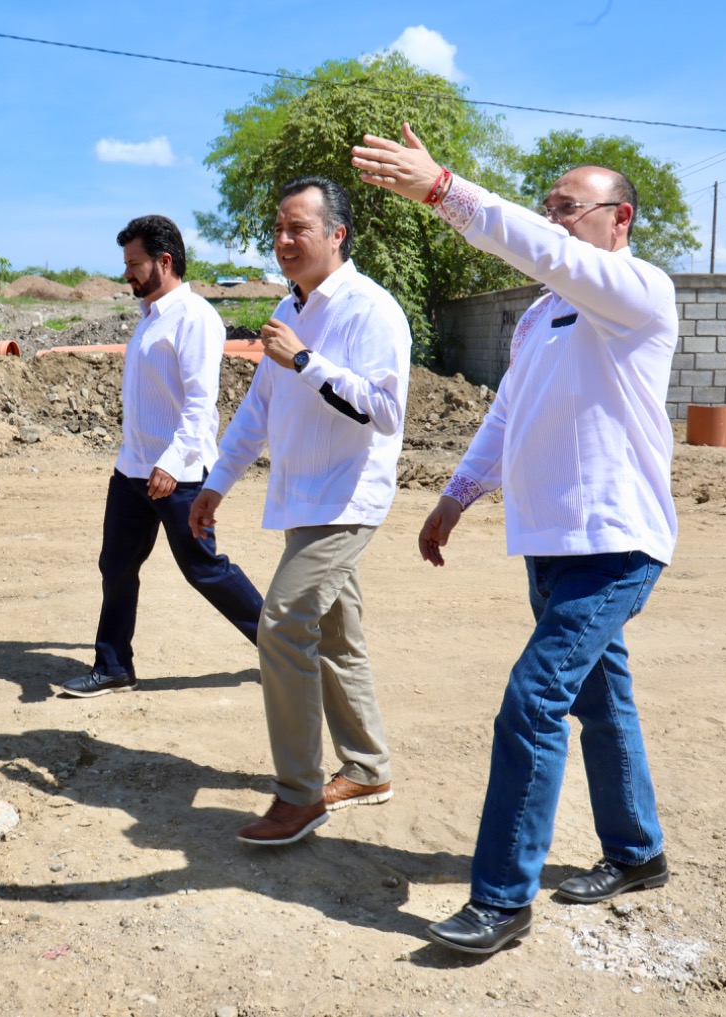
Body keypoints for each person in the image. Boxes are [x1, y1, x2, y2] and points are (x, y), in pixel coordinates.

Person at [351, 125, 678, 954]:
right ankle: (638, 852)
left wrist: (445, 190)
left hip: (615, 542)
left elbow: (551, 256)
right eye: (551, 208)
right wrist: (456, 496)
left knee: (533, 701)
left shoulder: (639, 293)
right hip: (551, 541)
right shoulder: (539, 319)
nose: (556, 220)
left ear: (621, 218)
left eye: (570, 209)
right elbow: (508, 413)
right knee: (603, 704)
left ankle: (501, 899)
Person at [188, 177, 411, 845]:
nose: (283, 241)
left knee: (282, 623)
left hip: (347, 495)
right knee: (337, 634)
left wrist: (306, 360)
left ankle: (298, 794)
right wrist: (217, 482)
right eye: (278, 229)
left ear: (337, 235)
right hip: (303, 496)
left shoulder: (371, 310)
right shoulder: (295, 306)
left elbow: (386, 409)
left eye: (297, 229)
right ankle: (368, 767)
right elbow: (259, 408)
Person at [55, 214, 264, 698]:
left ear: (164, 261)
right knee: (117, 566)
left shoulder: (195, 318)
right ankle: (112, 666)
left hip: (179, 474)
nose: (126, 273)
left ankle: (284, 647)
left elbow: (199, 403)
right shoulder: (150, 317)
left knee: (205, 569)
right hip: (132, 472)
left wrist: (171, 462)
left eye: (134, 263)